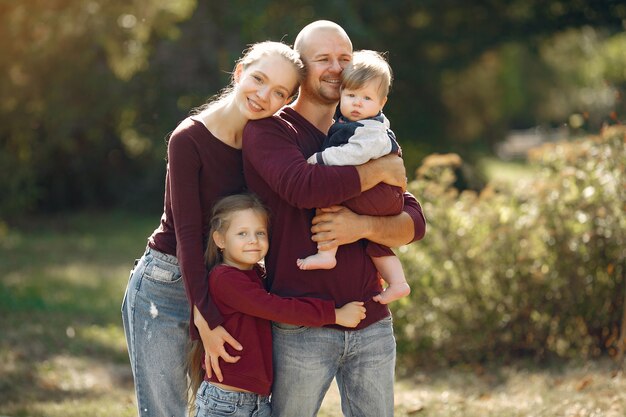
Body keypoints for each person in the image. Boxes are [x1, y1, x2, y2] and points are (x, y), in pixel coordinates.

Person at [242, 21, 426, 417]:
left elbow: (412, 218)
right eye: (322, 59)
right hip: (301, 324)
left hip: (371, 321)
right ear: (300, 68)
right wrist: (377, 172)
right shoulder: (271, 130)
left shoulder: (366, 129)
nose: (337, 68)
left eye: (344, 58)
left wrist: (363, 227)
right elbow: (303, 186)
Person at [120, 41, 305, 417]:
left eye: (279, 92)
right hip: (168, 284)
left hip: (228, 285)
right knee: (165, 410)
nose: (263, 95)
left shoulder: (262, 143)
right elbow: (188, 235)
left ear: (286, 102)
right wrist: (203, 316)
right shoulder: (188, 138)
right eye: (258, 79)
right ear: (239, 73)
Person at [187, 193, 366, 416]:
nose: (253, 240)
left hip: (258, 402)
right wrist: (334, 314)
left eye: (260, 233)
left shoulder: (255, 275)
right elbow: (277, 308)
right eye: (242, 233)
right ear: (220, 240)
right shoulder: (225, 279)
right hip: (227, 403)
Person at [296, 49, 410, 305]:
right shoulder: (358, 122)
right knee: (375, 242)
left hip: (381, 194)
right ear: (341, 95)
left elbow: (354, 154)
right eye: (351, 95)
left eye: (367, 98)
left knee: (328, 197)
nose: (357, 103)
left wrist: (319, 159)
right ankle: (398, 281)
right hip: (383, 195)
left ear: (382, 103)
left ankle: (327, 252)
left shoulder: (369, 130)